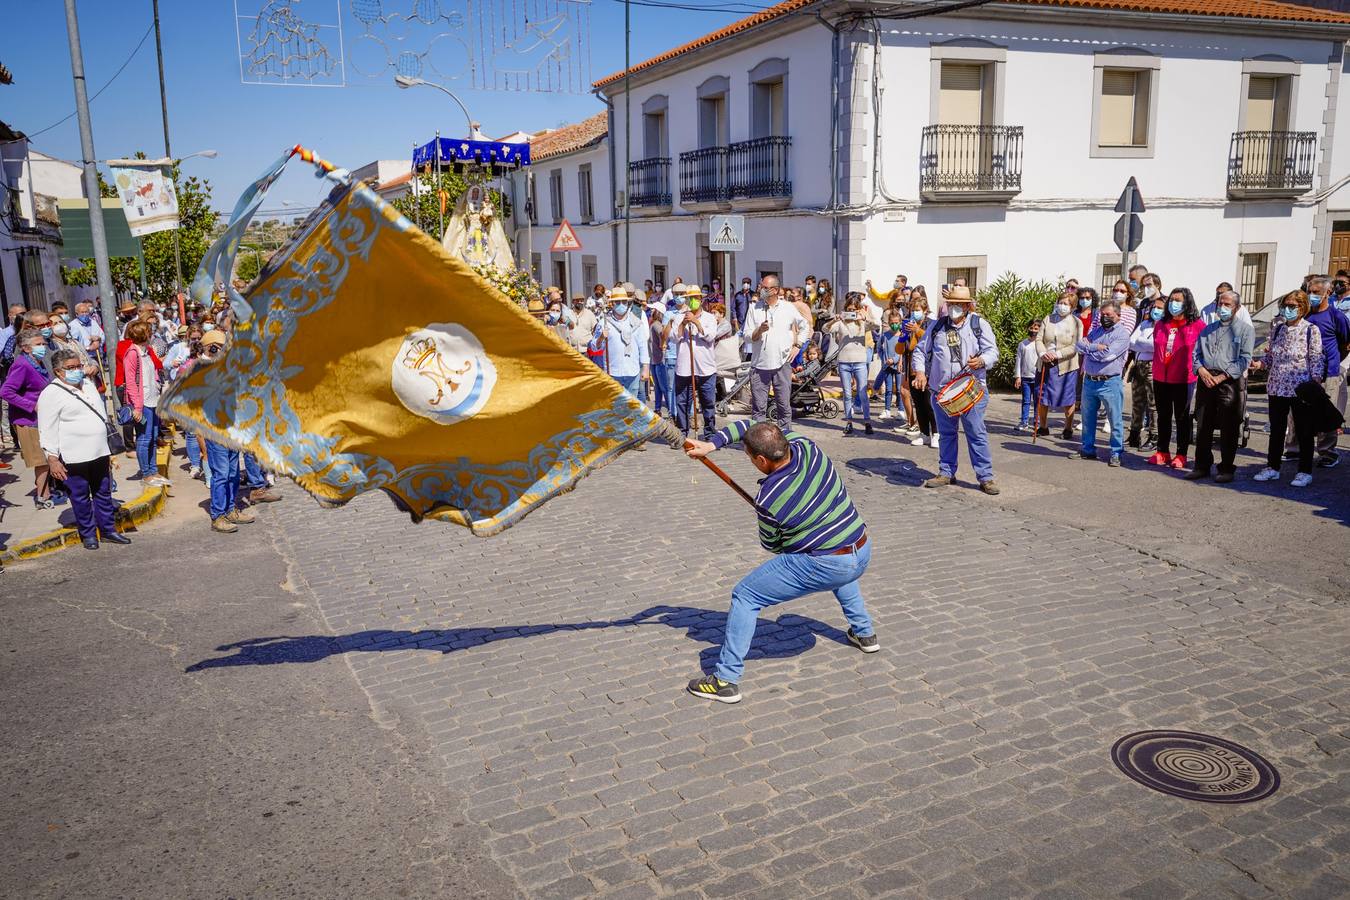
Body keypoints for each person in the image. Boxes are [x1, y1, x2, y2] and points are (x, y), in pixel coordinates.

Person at [683, 420, 876, 704]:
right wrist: (711, 445)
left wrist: (792, 532)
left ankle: (725, 680)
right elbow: (750, 425)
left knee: (746, 595)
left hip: (830, 564)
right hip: (862, 547)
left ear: (761, 459)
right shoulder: (807, 446)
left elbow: (773, 545)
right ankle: (865, 634)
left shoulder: (769, 497)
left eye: (749, 457)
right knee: (838, 559)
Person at [37, 349, 129, 549]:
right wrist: (52, 458)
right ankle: (88, 534)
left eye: (78, 366)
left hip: (99, 451)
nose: (77, 370)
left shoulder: (87, 384)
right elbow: (47, 429)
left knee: (103, 493)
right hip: (73, 456)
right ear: (58, 372)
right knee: (80, 497)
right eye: (71, 368)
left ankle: (108, 530)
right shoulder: (50, 394)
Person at [915, 286, 1000, 494]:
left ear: (967, 305)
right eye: (951, 303)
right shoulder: (936, 327)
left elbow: (992, 352)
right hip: (942, 391)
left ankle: (985, 477)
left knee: (976, 433)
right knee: (946, 434)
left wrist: (982, 360)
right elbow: (920, 351)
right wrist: (920, 372)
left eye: (959, 304)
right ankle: (946, 472)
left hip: (972, 391)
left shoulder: (979, 325)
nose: (955, 307)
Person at [1253, 291, 1324, 487]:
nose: (1287, 310)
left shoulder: (1311, 330)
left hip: (1300, 387)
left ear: (1302, 308)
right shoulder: (1277, 329)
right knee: (1276, 429)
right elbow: (1271, 358)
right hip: (1277, 386)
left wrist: (1316, 382)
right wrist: (1260, 364)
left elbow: (1316, 358)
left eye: (1292, 306)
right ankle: (1272, 467)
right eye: (1285, 306)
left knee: (1304, 430)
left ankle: (1304, 471)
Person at [1187, 290, 1255, 483]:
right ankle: (1201, 465)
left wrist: (1222, 377)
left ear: (1237, 308)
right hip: (1206, 379)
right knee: (1203, 424)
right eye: (1220, 304)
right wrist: (1201, 371)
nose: (1222, 308)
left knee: (1229, 426)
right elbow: (1196, 354)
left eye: (1227, 305)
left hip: (1229, 382)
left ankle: (1226, 468)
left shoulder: (1244, 330)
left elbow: (1245, 359)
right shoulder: (1207, 329)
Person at [741, 276, 807, 431]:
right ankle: (759, 443)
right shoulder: (754, 308)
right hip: (759, 365)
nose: (760, 289)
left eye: (764, 287)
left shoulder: (788, 308)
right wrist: (759, 331)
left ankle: (786, 440)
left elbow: (804, 327)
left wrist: (798, 345)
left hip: (782, 364)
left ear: (775, 290)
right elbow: (746, 336)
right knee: (759, 409)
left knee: (784, 407)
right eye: (760, 286)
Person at [1069, 298, 1130, 466]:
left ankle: (1116, 452)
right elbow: (1079, 346)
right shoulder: (1096, 331)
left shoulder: (1122, 335)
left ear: (1117, 315)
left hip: (1109, 382)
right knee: (1088, 418)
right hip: (1089, 381)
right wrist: (1096, 347)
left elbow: (1108, 356)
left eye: (1108, 314)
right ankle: (1087, 449)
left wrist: (1090, 351)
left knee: (1115, 418)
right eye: (1102, 314)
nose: (1104, 317)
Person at [1149, 287, 1204, 470]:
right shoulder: (1161, 324)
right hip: (1160, 377)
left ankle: (1181, 453)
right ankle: (1162, 451)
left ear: (1187, 302)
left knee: (1182, 417)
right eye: (1172, 300)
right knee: (1163, 415)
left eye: (1178, 300)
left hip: (1183, 378)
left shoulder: (1197, 326)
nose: (1173, 303)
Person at [1, 331, 57, 508]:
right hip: (28, 420)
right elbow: (6, 391)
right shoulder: (22, 365)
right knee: (41, 460)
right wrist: (31, 405)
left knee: (47, 457)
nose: (43, 346)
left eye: (43, 343)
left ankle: (46, 490)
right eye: (38, 344)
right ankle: (42, 496)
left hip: (42, 418)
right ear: (26, 347)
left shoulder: (37, 362)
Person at [1302, 275, 1350, 467]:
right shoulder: (1304, 314)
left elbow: (1346, 342)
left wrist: (1333, 359)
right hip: (1304, 370)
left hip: (1329, 371)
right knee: (1299, 411)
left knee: (1326, 413)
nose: (1311, 296)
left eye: (1315, 293)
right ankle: (1295, 449)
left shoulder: (1336, 316)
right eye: (1309, 292)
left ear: (1327, 293)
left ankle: (1327, 452)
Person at [122, 320, 171, 488]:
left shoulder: (146, 352)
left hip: (153, 400)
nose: (152, 335)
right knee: (144, 439)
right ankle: (146, 474)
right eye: (149, 332)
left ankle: (154, 471)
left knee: (153, 437)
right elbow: (130, 382)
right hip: (142, 404)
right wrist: (137, 406)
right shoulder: (132, 353)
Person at [667, 285, 718, 440]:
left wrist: (696, 322)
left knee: (708, 402)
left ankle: (709, 432)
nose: (693, 301)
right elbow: (674, 338)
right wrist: (683, 323)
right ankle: (683, 432)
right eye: (690, 298)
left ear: (700, 299)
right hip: (684, 367)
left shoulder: (710, 318)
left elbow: (710, 337)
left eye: (696, 298)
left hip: (705, 367)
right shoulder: (678, 316)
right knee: (682, 402)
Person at [1034, 291, 1083, 438]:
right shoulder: (1048, 319)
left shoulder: (1076, 322)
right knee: (1042, 396)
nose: (1062, 306)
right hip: (1045, 363)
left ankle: (1068, 428)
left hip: (1065, 365)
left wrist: (1058, 354)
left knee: (1067, 398)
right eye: (1060, 303)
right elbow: (1039, 339)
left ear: (1072, 307)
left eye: (1066, 304)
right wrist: (1043, 354)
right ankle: (1043, 426)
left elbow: (1076, 345)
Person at [589, 286, 650, 396]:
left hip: (633, 372)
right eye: (617, 302)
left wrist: (645, 368)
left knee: (632, 408)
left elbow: (643, 347)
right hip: (613, 372)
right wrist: (601, 337)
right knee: (616, 410)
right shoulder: (604, 323)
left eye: (623, 302)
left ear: (627, 303)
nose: (621, 305)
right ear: (612, 304)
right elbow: (594, 346)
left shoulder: (636, 323)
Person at [828, 297, 873, 435]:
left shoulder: (862, 323)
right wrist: (835, 319)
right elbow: (825, 329)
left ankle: (867, 422)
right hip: (844, 363)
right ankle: (849, 422)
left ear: (858, 309)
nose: (851, 312)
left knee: (862, 393)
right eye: (849, 310)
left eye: (854, 310)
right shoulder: (841, 323)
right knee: (847, 394)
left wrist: (864, 317)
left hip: (860, 362)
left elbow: (877, 325)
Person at [1126, 296, 1161, 450]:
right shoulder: (1145, 324)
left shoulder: (1164, 327)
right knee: (1137, 402)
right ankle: (1134, 435)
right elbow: (1131, 342)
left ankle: (1154, 436)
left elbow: (1157, 346)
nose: (1156, 310)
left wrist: (1141, 343)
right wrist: (1143, 344)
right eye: (1154, 307)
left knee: (1153, 404)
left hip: (1153, 366)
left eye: (1160, 308)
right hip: (1138, 365)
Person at [902, 290, 934, 446]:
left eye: (917, 310)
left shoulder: (931, 324)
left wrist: (917, 331)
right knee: (919, 403)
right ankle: (924, 433)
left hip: (928, 369)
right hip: (912, 369)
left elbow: (931, 342)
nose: (914, 313)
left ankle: (936, 433)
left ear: (925, 311)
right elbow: (902, 349)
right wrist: (903, 336)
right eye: (912, 310)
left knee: (929, 402)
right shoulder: (908, 325)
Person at [875, 310, 907, 425]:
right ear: (889, 322)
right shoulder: (885, 335)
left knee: (899, 389)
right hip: (887, 366)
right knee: (888, 389)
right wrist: (884, 359)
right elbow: (879, 348)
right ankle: (887, 409)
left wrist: (895, 360)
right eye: (892, 322)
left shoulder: (902, 335)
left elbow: (902, 350)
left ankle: (901, 410)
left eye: (897, 322)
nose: (895, 324)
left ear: (900, 322)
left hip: (898, 366)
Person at [1013, 319, 1041, 432]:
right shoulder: (1022, 344)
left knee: (1037, 401)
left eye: (1036, 329)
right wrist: (1018, 376)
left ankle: (1037, 422)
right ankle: (1024, 422)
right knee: (1026, 401)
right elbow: (1018, 361)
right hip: (1025, 378)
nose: (1033, 331)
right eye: (1031, 328)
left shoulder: (1041, 344)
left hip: (1037, 378)